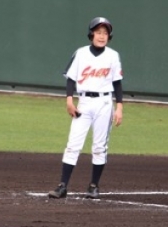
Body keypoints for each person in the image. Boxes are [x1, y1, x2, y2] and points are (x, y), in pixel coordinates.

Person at [48, 17, 124, 200]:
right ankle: (62, 186)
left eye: (105, 33)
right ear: (91, 34)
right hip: (84, 102)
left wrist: (119, 107)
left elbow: (117, 83)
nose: (102, 36)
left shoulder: (113, 56)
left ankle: (93, 186)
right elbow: (71, 79)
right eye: (98, 32)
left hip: (104, 103)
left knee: (99, 146)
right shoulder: (81, 53)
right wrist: (69, 101)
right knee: (73, 144)